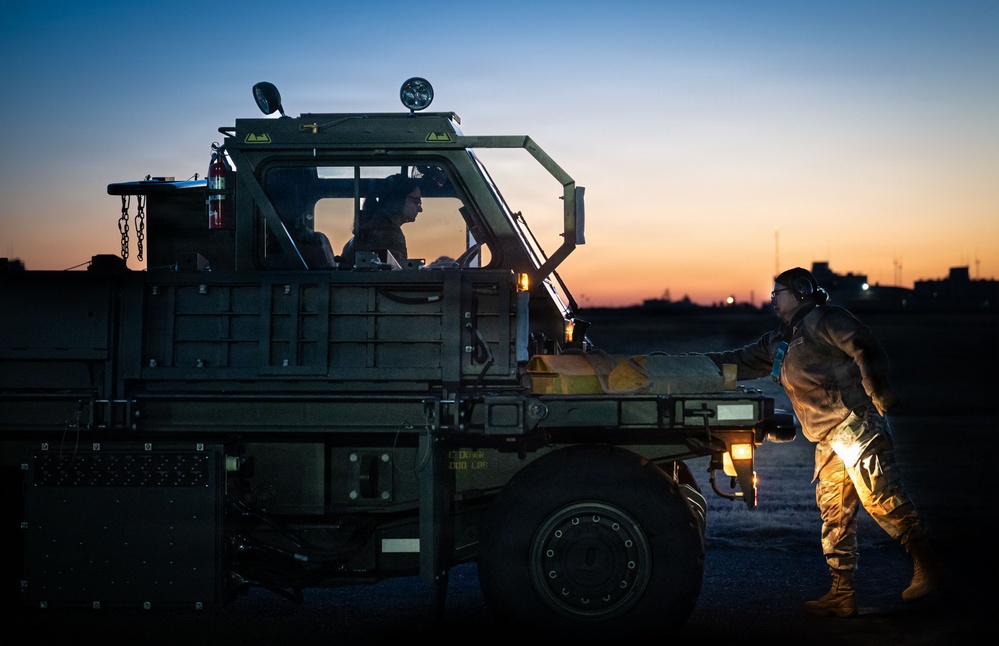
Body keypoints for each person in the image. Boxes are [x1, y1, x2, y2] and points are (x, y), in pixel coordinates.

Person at [701, 267, 947, 618]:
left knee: (881, 496)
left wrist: (878, 389)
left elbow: (864, 346)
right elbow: (737, 361)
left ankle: (928, 566)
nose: (773, 299)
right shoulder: (779, 341)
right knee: (834, 514)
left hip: (856, 426)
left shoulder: (825, 320)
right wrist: (687, 366)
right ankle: (842, 594)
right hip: (828, 441)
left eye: (778, 293)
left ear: (800, 290)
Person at [340, 174, 422, 266]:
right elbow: (393, 272)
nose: (420, 209)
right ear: (397, 200)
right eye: (416, 202)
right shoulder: (386, 233)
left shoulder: (374, 226)